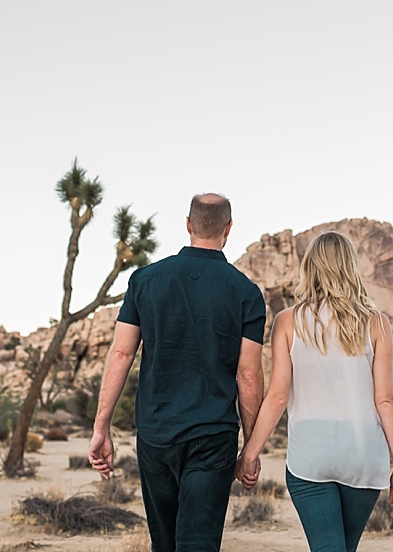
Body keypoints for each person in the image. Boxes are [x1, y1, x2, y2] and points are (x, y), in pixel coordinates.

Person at [89, 193, 267, 552]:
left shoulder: (145, 280)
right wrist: (251, 447)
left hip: (156, 435)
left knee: (165, 545)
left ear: (188, 224)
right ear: (228, 229)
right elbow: (248, 376)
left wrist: (101, 428)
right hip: (213, 436)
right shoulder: (246, 293)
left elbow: (121, 354)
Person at [236, 231, 393, 552]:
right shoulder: (376, 323)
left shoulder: (288, 321)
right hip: (363, 455)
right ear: (350, 267)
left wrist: (249, 453)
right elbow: (385, 399)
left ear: (310, 268)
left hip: (310, 457)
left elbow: (277, 396)